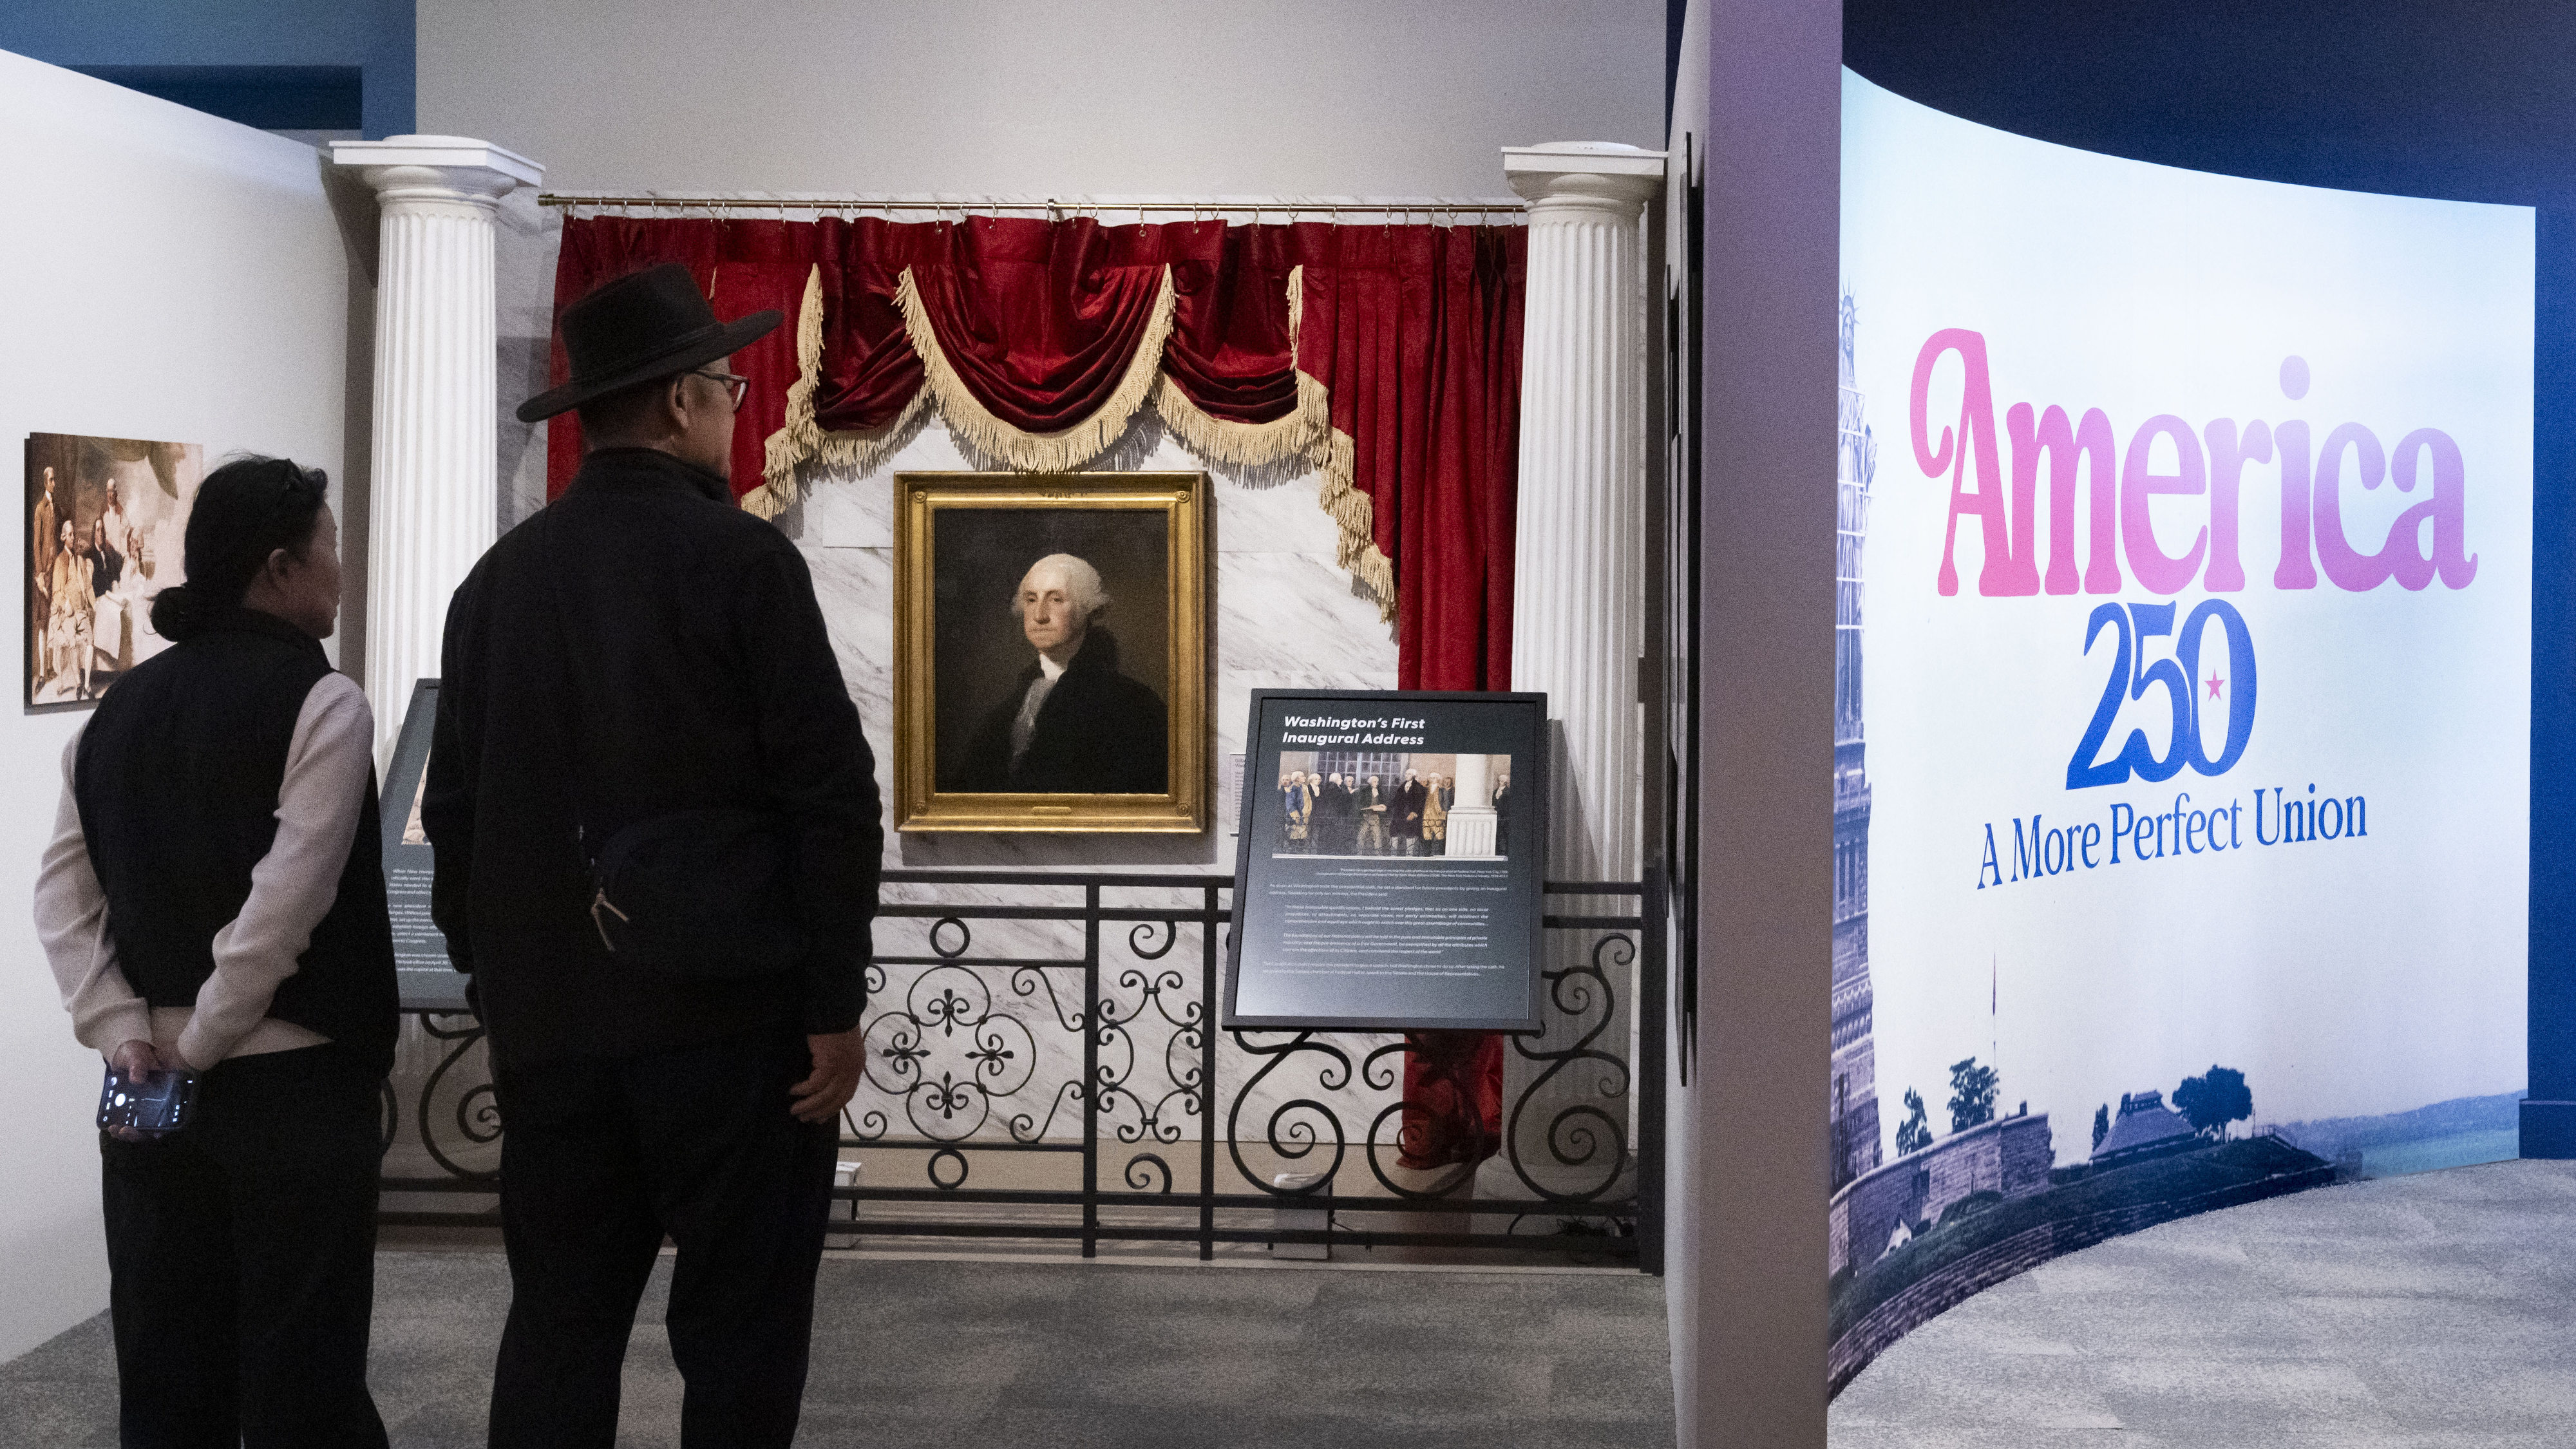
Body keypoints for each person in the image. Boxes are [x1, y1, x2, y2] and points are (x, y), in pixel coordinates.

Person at [425, 262, 885, 1448]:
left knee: (561, 1325)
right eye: (731, 387)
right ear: (682, 403)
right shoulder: (741, 564)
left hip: (557, 1036)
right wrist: (832, 1003)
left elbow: (457, 814)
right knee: (740, 1335)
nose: (737, 409)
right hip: (734, 1034)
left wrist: (501, 981)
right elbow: (829, 799)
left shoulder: (496, 585)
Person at [35, 455, 398, 1447]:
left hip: (146, 1093)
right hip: (288, 1086)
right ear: (279, 568)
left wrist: (123, 1035)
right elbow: (283, 905)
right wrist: (199, 1040)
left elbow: (64, 897)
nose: (339, 566)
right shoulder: (323, 703)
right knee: (301, 1369)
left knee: (165, 1365)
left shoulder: (118, 709)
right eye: (328, 546)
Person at [952, 553, 1166, 793]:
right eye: (1031, 600)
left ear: (1088, 609)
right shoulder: (1003, 716)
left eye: (1056, 599)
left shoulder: (1134, 706)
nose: (1040, 615)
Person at [49, 518, 93, 698]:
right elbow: (56, 592)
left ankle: (87, 685)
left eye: (74, 534)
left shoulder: (79, 559)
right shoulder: (60, 561)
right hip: (68, 614)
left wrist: (94, 604)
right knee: (73, 643)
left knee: (90, 642)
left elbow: (89, 586)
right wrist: (65, 604)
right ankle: (77, 682)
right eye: (70, 535)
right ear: (63, 537)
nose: (74, 537)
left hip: (81, 612)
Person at [30, 464, 57, 690]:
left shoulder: (54, 506)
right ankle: (41, 673)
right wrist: (40, 575)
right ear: (44, 482)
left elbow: (53, 542)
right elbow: (36, 545)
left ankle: (50, 667)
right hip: (43, 575)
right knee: (42, 624)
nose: (54, 483)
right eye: (51, 480)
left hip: (53, 570)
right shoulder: (40, 508)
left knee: (52, 620)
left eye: (55, 479)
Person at [1315, 771, 1354, 854]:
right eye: (1340, 778)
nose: (1342, 780)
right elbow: (1341, 801)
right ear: (1336, 779)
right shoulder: (1334, 789)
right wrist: (1347, 792)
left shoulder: (1330, 788)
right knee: (1332, 836)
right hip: (1334, 816)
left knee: (1328, 836)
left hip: (1330, 816)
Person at [1394, 769, 1427, 855]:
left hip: (1412, 815)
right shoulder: (1402, 786)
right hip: (1401, 815)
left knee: (1411, 835)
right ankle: (1395, 855)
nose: (1406, 775)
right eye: (1406, 774)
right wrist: (1386, 806)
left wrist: (1414, 813)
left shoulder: (1419, 787)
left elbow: (1420, 802)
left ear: (1413, 776)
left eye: (1409, 774)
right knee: (1397, 833)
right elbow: (1396, 800)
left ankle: (1410, 855)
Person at [1355, 774, 1390, 853]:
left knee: (1377, 836)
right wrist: (1372, 807)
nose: (1376, 783)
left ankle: (1379, 854)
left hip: (1376, 816)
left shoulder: (1380, 792)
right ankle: (1358, 854)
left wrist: (1384, 807)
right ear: (1370, 782)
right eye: (1375, 782)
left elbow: (1383, 802)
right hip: (1366, 816)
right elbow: (1361, 805)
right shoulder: (1364, 791)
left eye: (1377, 782)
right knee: (1361, 835)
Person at [1280, 770, 1312, 851]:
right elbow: (1290, 805)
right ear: (1297, 778)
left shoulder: (1303, 788)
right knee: (1294, 841)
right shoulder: (1292, 789)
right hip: (1295, 819)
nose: (1305, 778)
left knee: (1302, 841)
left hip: (1304, 818)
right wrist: (1297, 818)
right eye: (1302, 776)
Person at [1423, 773, 1450, 855]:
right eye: (1430, 778)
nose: (1432, 779)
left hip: (1438, 815)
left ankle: (1439, 855)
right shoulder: (1426, 789)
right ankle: (1427, 855)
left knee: (1439, 835)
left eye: (1434, 778)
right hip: (1426, 815)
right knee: (1427, 835)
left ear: (1437, 779)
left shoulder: (1442, 789)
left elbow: (1446, 802)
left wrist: (1444, 812)